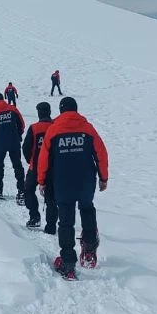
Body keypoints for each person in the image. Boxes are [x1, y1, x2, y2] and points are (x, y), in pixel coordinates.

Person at [37, 97, 108, 280]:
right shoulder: (87, 128)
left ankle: (68, 264)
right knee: (87, 209)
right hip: (86, 181)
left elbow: (43, 159)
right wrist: (103, 177)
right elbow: (101, 152)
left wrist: (42, 181)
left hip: (63, 182)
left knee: (66, 221)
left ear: (61, 111)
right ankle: (90, 251)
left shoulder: (54, 130)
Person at [22, 102, 57, 230]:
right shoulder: (56, 126)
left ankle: (34, 217)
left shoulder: (34, 128)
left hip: (35, 166)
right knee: (51, 197)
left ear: (38, 113)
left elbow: (25, 147)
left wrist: (30, 160)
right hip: (53, 168)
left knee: (28, 190)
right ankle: (51, 225)